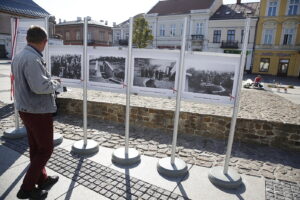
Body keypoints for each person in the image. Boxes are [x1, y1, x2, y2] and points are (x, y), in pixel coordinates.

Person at [12, 26, 61, 199]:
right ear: (44, 41)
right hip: (37, 111)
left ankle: (43, 179)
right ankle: (26, 188)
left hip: (26, 108)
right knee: (46, 149)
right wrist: (56, 83)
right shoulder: (32, 59)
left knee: (36, 148)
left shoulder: (19, 56)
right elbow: (39, 87)